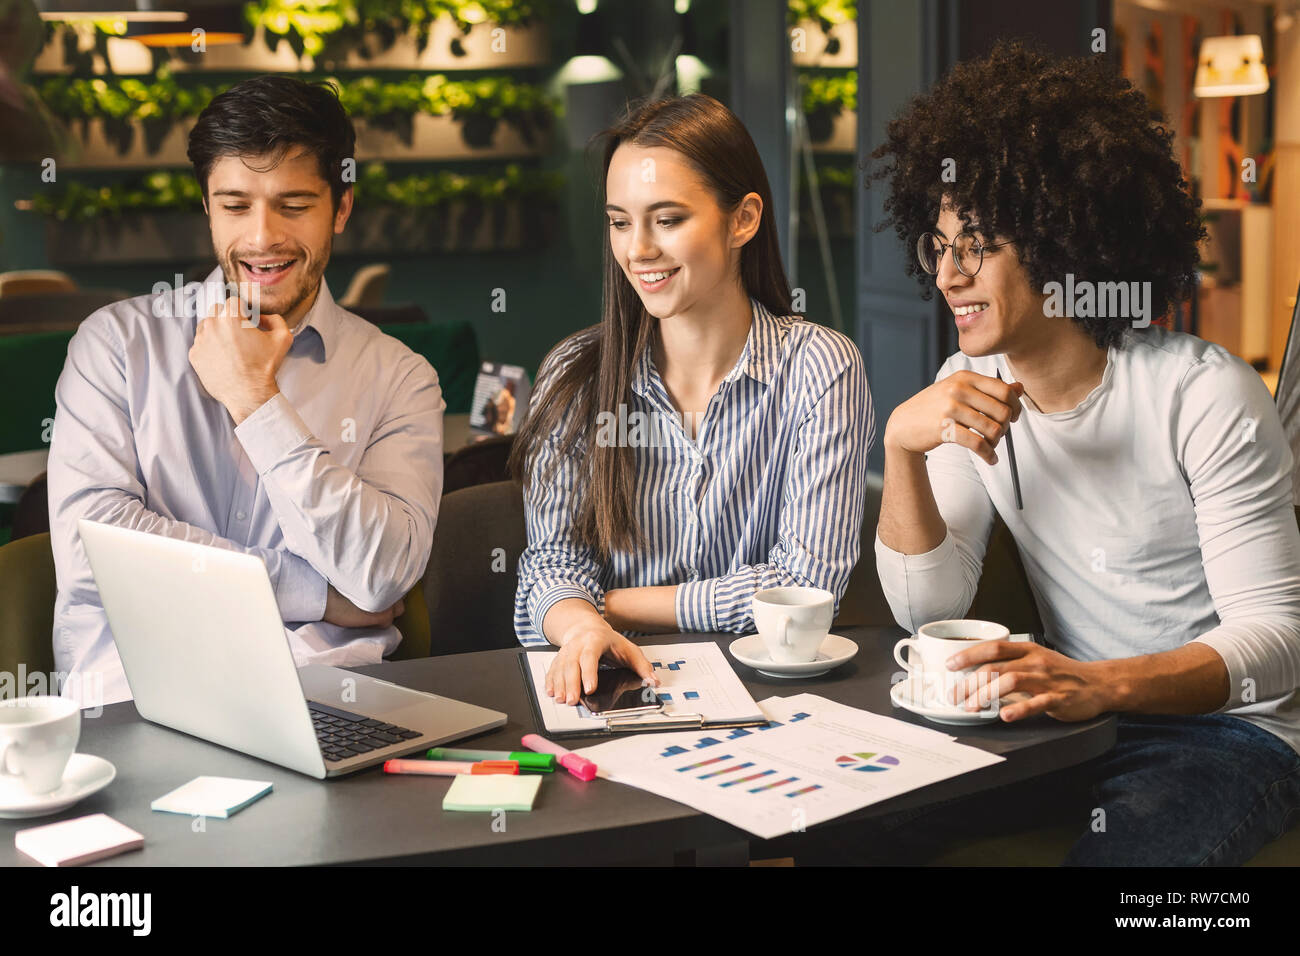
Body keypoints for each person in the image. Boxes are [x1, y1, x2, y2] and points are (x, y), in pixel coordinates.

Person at [812, 41, 1300, 866]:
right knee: (845, 829)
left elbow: (1278, 644)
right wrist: (900, 445)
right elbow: (927, 611)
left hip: (1226, 735)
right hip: (1067, 724)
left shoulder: (1201, 393)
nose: (949, 275)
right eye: (939, 245)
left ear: (1064, 238)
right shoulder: (965, 382)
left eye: (981, 244)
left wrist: (1099, 682)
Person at [48, 76, 445, 707]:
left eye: (293, 205)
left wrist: (257, 403)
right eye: (235, 206)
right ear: (207, 206)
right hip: (138, 698)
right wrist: (313, 593)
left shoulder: (399, 376)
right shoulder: (117, 346)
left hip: (325, 702)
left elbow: (382, 574)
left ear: (341, 207)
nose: (261, 238)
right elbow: (92, 552)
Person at [510, 94, 874, 704]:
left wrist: (607, 606)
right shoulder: (574, 373)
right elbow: (549, 565)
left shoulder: (820, 367)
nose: (638, 250)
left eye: (668, 219)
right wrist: (580, 628)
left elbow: (806, 588)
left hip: (769, 700)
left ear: (743, 219)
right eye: (621, 222)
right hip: (613, 692)